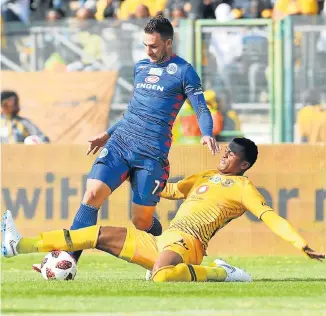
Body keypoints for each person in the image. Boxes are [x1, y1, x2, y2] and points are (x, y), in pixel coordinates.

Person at [3, 138, 324, 283]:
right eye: (225, 150)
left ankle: (221, 273)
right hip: (162, 241)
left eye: (231, 154)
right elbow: (170, 191)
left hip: (190, 245)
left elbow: (271, 217)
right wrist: (138, 178)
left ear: (244, 164)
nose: (224, 156)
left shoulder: (244, 188)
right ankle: (18, 245)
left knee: (161, 277)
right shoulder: (205, 176)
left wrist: (300, 243)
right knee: (92, 235)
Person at [43, 16, 219, 265]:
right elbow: (133, 112)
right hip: (121, 144)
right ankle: (68, 261)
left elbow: (201, 109)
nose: (148, 51)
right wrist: (107, 135)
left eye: (154, 46)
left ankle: (168, 254)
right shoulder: (141, 68)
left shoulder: (184, 71)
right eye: (145, 45)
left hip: (151, 154)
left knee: (142, 221)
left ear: (168, 43)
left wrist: (207, 133)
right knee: (92, 193)